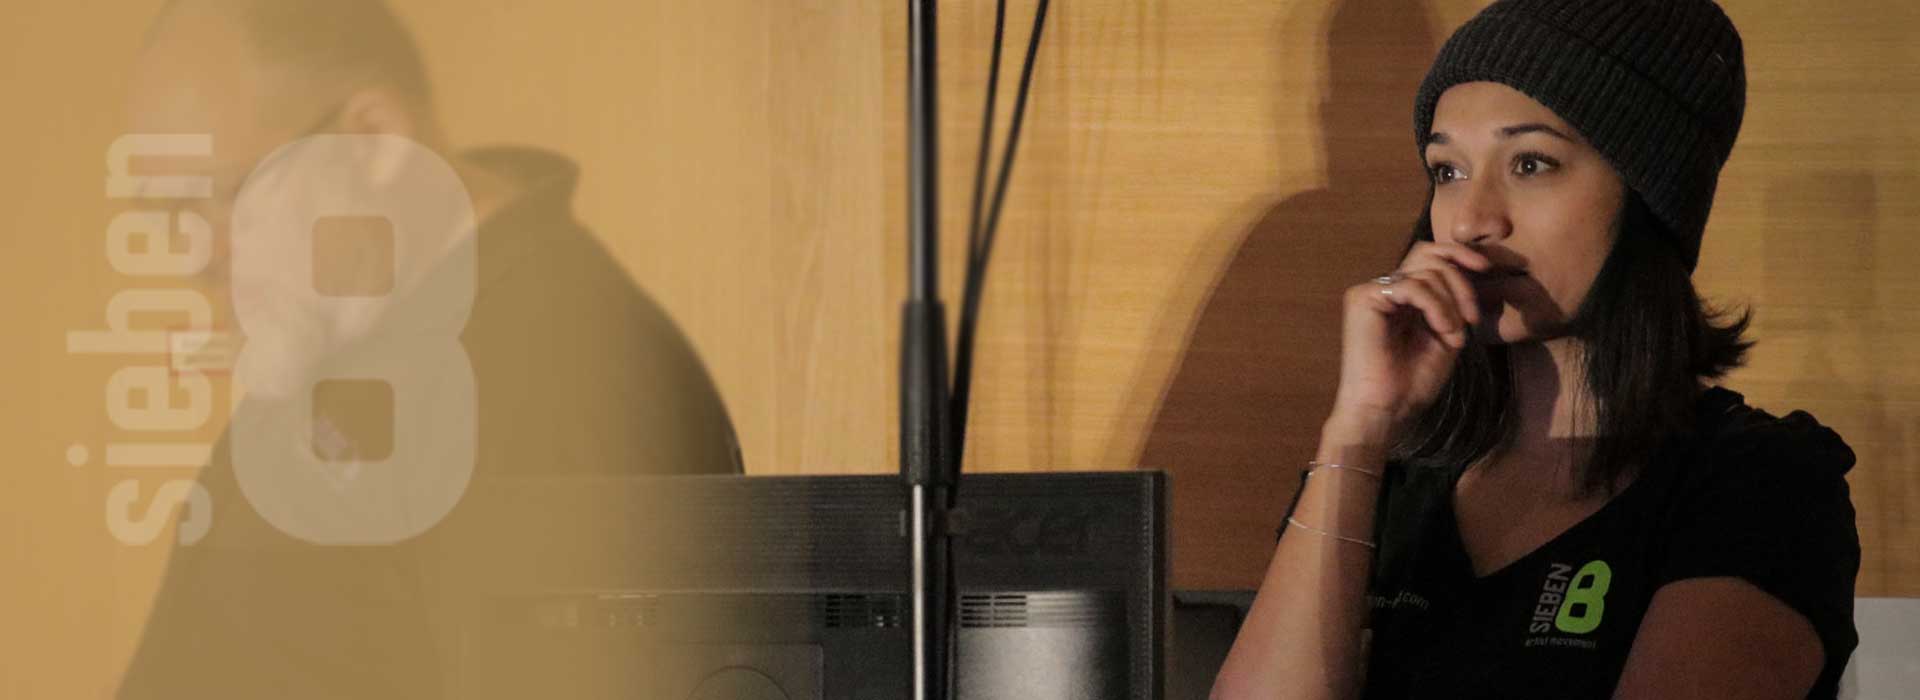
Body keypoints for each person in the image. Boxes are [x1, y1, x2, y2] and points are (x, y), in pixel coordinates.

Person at [1213, 1, 1860, 698]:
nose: (1470, 221)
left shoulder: (1757, 480)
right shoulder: (1387, 480)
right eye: (1447, 171)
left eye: (1530, 163)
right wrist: (1358, 427)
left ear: (1647, 198)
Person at [116, 1, 741, 697]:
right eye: (168, 212)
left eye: (223, 196)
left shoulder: (555, 373)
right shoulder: (356, 333)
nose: (193, 256)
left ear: (376, 140)